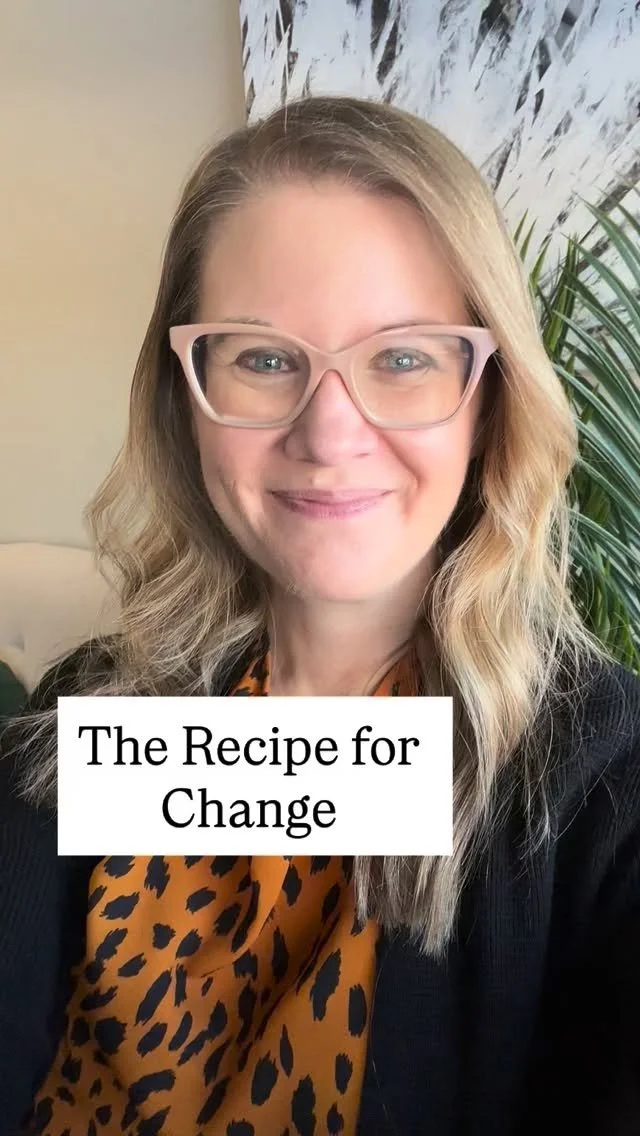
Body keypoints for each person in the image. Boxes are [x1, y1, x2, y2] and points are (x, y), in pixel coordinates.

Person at [0, 94, 638, 1136]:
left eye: (404, 357)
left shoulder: (594, 780)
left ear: (488, 399)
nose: (329, 432)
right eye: (262, 357)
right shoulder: (101, 702)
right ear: (184, 394)